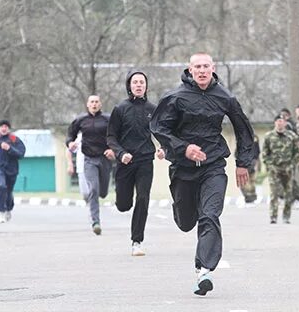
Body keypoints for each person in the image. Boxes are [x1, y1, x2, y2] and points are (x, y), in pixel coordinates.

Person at [150, 52, 255, 296]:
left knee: (210, 215)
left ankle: (204, 269)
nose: (202, 71)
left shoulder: (225, 97)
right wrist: (183, 148)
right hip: (183, 168)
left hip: (213, 165)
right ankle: (184, 213)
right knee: (186, 222)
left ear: (213, 68)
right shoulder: (175, 97)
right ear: (190, 69)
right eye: (197, 67)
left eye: (206, 66)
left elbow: (243, 129)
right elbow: (158, 127)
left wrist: (243, 162)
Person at [107, 70, 165, 256]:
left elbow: (162, 132)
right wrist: (120, 153)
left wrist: (164, 147)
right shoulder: (120, 109)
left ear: (146, 86)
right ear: (129, 86)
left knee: (143, 197)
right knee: (124, 205)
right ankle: (122, 201)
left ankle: (137, 241)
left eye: (142, 82)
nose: (139, 85)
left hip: (145, 161)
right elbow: (111, 137)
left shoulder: (153, 109)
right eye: (135, 82)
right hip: (125, 162)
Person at [66, 95, 115, 235]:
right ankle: (95, 221)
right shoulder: (81, 120)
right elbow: (70, 135)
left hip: (104, 158)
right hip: (89, 159)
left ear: (100, 104)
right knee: (93, 188)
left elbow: (116, 135)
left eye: (97, 102)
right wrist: (70, 143)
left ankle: (100, 198)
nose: (94, 104)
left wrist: (113, 149)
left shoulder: (108, 119)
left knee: (103, 192)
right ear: (87, 104)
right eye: (92, 102)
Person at [0, 121, 26, 223]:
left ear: (9, 129)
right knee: (1, 186)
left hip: (12, 169)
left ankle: (8, 209)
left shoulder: (14, 139)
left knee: (8, 191)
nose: (4, 128)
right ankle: (1, 212)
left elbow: (21, 154)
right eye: (2, 127)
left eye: (6, 127)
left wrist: (9, 148)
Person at [263, 115, 299, 224]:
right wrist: (270, 166)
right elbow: (265, 154)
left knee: (288, 193)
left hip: (287, 168)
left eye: (282, 121)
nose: (280, 123)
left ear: (285, 123)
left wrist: (292, 165)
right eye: (278, 121)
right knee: (274, 193)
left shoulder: (292, 136)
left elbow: (296, 153)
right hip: (274, 168)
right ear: (275, 123)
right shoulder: (269, 136)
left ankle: (286, 216)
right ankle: (273, 216)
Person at [239, 134, 260, 203]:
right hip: (249, 162)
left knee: (247, 180)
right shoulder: (254, 139)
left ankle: (250, 196)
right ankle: (250, 196)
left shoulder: (243, 140)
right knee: (250, 180)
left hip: (248, 162)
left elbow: (257, 153)